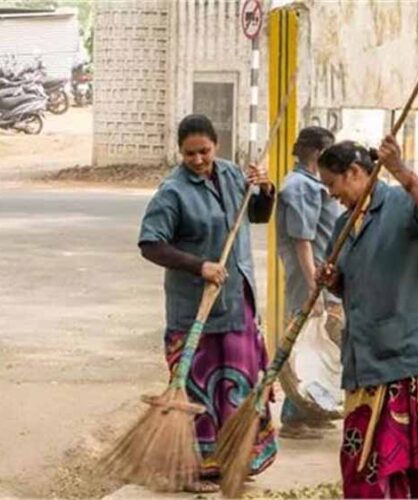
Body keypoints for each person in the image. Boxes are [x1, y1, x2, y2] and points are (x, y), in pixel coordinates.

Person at [138, 114, 278, 493]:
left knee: (239, 386)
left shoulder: (234, 175)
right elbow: (150, 244)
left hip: (237, 305)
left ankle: (235, 458)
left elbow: (259, 217)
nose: (198, 160)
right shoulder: (172, 192)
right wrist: (199, 266)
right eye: (190, 154)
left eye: (204, 151)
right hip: (195, 311)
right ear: (179, 152)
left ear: (217, 146)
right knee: (199, 393)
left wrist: (265, 189)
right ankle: (196, 469)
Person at [316, 137, 418, 498]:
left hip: (411, 356)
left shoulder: (403, 203)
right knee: (361, 463)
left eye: (333, 184)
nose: (331, 195)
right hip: (365, 359)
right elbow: (353, 287)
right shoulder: (344, 225)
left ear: (356, 172)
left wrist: (401, 171)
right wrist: (333, 280)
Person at [275, 126, 344, 439]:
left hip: (321, 275)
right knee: (303, 344)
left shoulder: (314, 184)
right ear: (317, 151)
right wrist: (314, 289)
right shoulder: (300, 187)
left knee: (320, 344)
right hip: (309, 278)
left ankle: (314, 410)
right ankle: (294, 414)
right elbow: (302, 240)